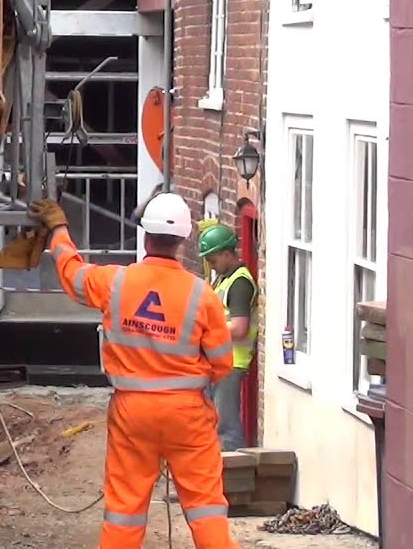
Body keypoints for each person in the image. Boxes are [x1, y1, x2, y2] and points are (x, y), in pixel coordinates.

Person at [28, 192, 239, 549]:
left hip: (132, 411)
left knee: (125, 508)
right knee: (206, 507)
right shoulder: (202, 295)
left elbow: (72, 274)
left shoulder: (116, 282)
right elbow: (222, 364)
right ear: (182, 240)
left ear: (146, 237)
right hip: (187, 413)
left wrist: (59, 229)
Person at [197, 223, 257, 451]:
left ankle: (233, 468)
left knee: (226, 426)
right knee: (213, 422)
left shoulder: (240, 283)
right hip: (219, 360)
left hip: (232, 362)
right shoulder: (224, 278)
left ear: (226, 254)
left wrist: (207, 329)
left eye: (213, 261)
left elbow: (240, 328)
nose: (211, 266)